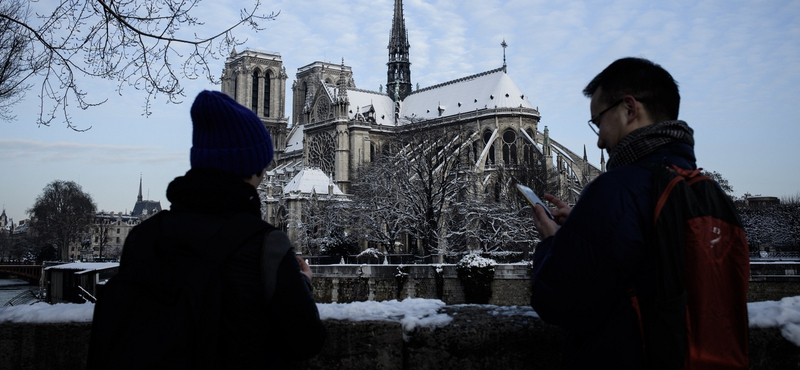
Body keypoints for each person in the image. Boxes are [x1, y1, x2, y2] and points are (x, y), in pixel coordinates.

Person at [88, 90, 326, 369]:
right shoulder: (267, 245)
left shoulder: (144, 237)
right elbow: (306, 341)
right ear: (253, 169)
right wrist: (302, 284)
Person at [529, 57, 696, 369]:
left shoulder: (615, 190)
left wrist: (553, 242)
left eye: (599, 120)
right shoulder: (705, 190)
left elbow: (556, 300)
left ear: (629, 109)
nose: (599, 139)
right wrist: (583, 227)